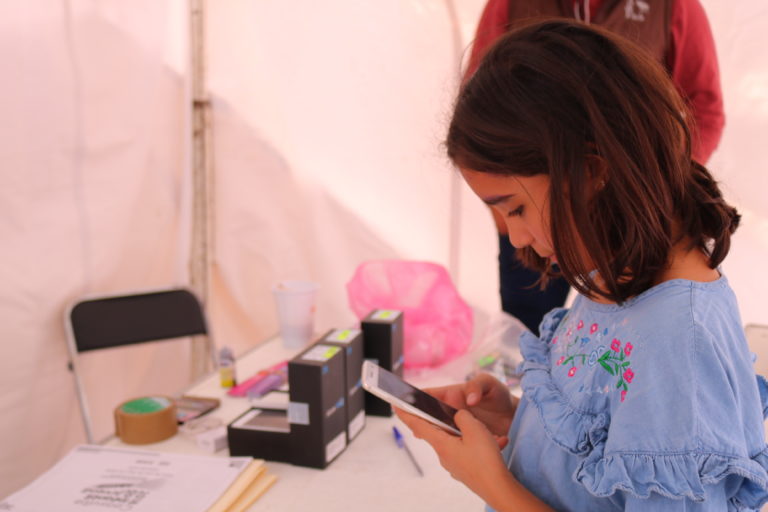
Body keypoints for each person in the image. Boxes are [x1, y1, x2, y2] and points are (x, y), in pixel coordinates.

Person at [396, 20, 768, 511]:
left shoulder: (680, 343)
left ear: (591, 171)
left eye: (516, 208)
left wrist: (494, 486)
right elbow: (608, 452)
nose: (512, 235)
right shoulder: (611, 280)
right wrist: (515, 420)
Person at [466, 0, 725, 335]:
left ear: (593, 170)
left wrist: (654, 180)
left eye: (514, 210)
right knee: (532, 330)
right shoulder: (509, 4)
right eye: (511, 211)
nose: (518, 239)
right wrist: (511, 210)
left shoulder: (673, 6)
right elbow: (477, 115)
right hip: (546, 218)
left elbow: (704, 108)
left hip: (628, 224)